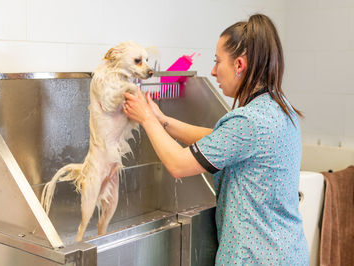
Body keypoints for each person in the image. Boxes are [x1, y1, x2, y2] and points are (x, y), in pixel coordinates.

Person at [123, 13, 309, 265]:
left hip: (255, 258)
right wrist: (161, 120)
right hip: (288, 252)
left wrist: (146, 119)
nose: (212, 71)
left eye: (217, 61)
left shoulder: (247, 122)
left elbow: (178, 165)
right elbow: (220, 141)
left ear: (239, 65)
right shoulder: (278, 107)